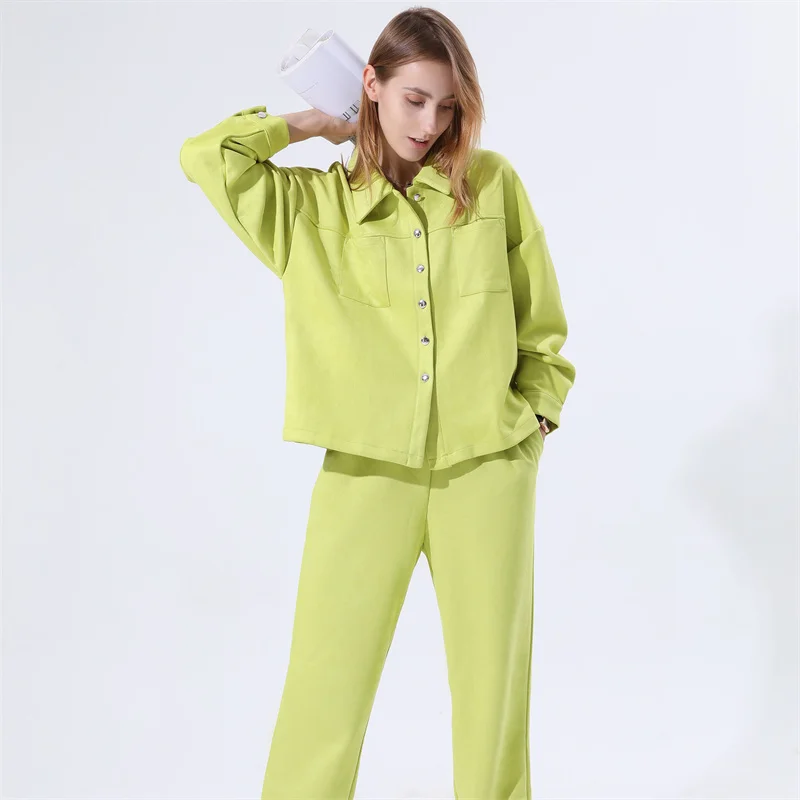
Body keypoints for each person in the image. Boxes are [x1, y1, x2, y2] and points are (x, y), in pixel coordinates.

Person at [179, 8, 576, 798]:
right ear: (370, 84)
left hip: (488, 469)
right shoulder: (309, 210)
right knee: (324, 689)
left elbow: (541, 325)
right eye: (413, 100)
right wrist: (310, 123)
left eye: (448, 106)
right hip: (364, 475)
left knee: (493, 695)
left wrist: (534, 417)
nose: (430, 124)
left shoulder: (491, 186)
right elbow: (206, 157)